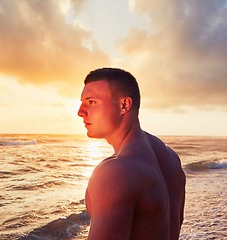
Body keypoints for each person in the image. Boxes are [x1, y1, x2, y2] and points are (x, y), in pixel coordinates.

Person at [77, 68, 186, 240]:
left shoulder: (116, 171)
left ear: (124, 105)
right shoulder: (170, 158)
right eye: (82, 102)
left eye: (91, 102)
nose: (80, 111)